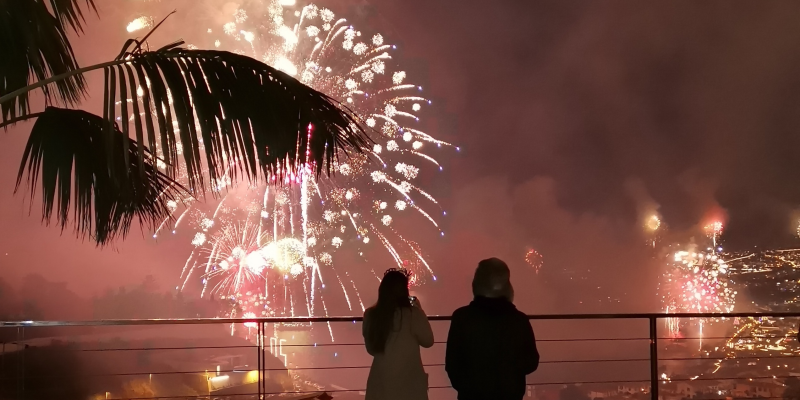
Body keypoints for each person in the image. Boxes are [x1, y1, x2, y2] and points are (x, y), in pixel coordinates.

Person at [445, 258, 540, 400]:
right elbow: (531, 362)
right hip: (509, 394)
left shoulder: (462, 317)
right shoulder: (519, 320)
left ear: (477, 283)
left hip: (472, 395)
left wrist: (466, 387)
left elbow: (452, 363)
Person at [363, 268, 435, 400]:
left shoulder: (371, 314)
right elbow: (428, 341)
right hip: (409, 383)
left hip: (380, 381)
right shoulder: (412, 314)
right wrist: (419, 310)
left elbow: (371, 349)